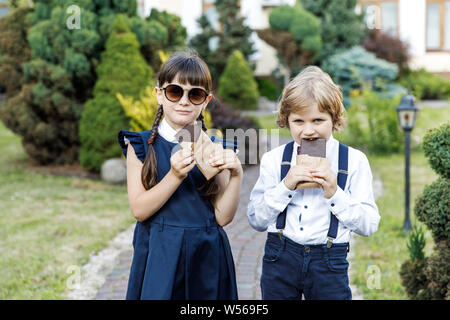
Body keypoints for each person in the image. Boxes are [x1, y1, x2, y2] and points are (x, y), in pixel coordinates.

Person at [247, 66, 380, 300]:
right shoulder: (274, 160)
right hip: (280, 256)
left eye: (318, 120)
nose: (308, 131)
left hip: (330, 261)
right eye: (299, 121)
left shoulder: (354, 161)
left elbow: (369, 225)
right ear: (287, 121)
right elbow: (256, 219)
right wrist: (285, 186)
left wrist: (333, 192)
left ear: (334, 119)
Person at [118, 52, 242, 300]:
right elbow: (139, 210)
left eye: (194, 94)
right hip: (159, 253)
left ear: (205, 101)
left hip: (206, 254)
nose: (184, 101)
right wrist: (174, 176)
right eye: (175, 91)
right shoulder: (141, 145)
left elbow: (222, 217)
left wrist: (237, 175)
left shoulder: (214, 147)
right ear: (159, 94)